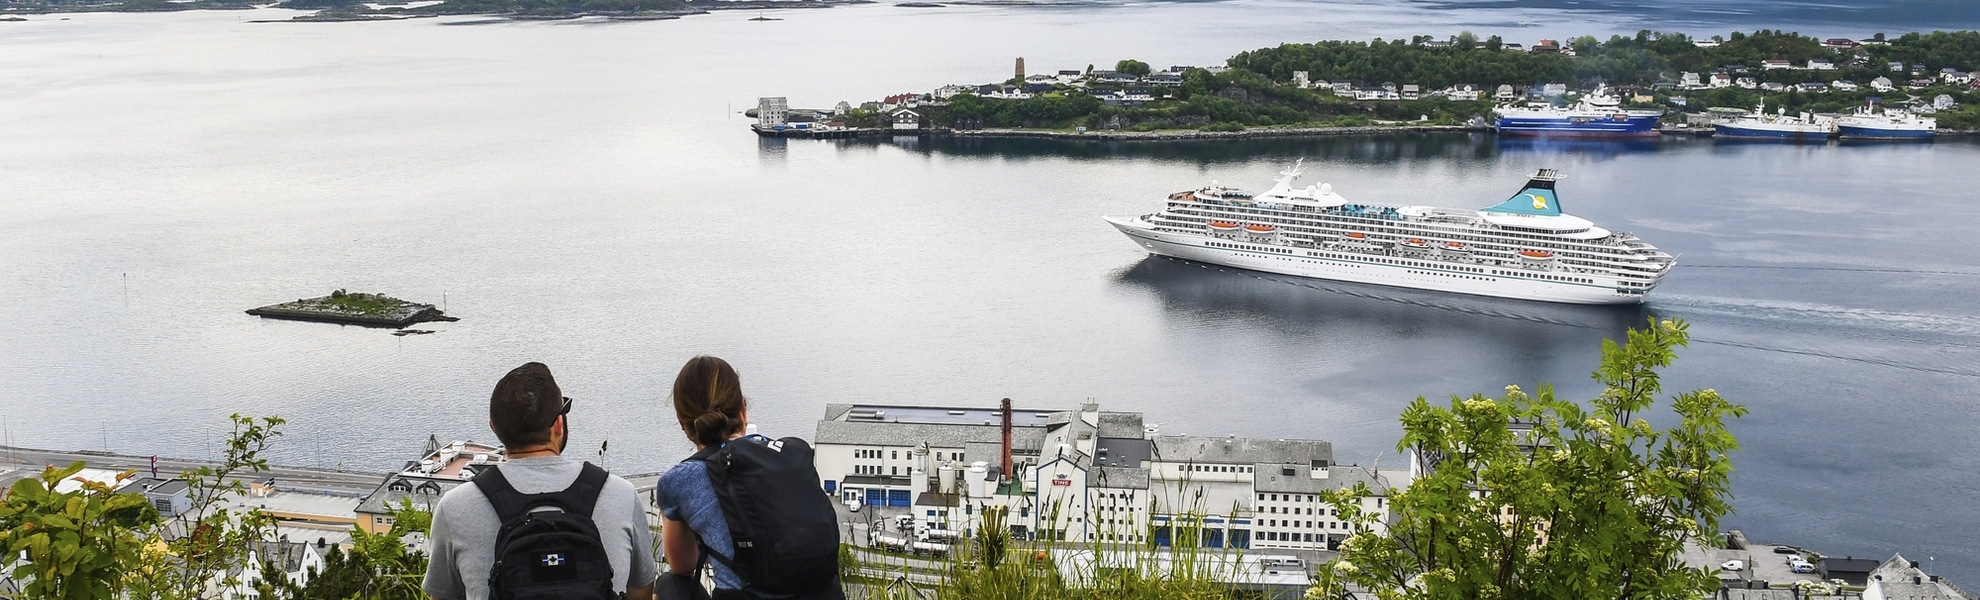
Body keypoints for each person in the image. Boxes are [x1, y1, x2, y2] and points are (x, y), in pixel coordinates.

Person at [424, 362, 658, 600]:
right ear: (558, 425)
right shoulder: (621, 495)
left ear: (494, 427)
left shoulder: (455, 508)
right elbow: (641, 591)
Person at [655, 356, 842, 600]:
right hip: (826, 594)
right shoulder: (787, 457)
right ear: (743, 409)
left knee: (670, 585)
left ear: (684, 425)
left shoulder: (679, 481)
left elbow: (683, 565)